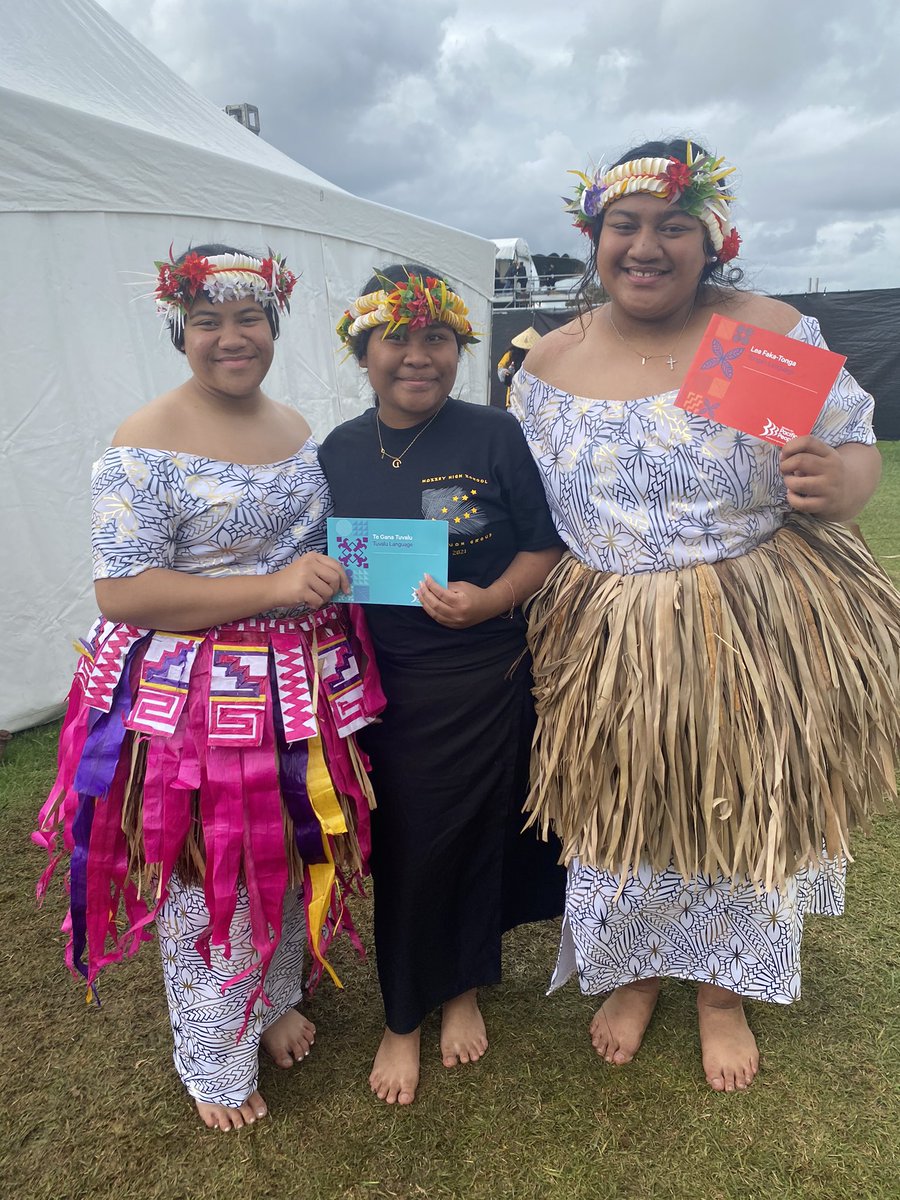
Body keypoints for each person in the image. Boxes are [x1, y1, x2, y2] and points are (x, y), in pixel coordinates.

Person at [510, 140, 900, 1093]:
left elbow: (855, 454)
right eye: (625, 226)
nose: (647, 247)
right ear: (594, 239)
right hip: (606, 634)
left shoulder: (756, 336)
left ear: (710, 238)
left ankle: (722, 993)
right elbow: (511, 502)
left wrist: (833, 481)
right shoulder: (547, 361)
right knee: (624, 811)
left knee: (740, 800)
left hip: (750, 617)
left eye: (672, 227)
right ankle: (636, 971)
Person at [34, 244, 384, 1130]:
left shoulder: (298, 428)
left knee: (293, 847)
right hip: (195, 701)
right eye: (209, 323)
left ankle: (267, 1006)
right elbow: (126, 592)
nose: (233, 339)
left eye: (250, 319)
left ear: (275, 325)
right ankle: (213, 1058)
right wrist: (271, 589)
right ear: (179, 332)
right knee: (211, 872)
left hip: (296, 690)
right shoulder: (141, 440)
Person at [319, 265, 565, 1105]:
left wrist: (491, 598)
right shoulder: (339, 451)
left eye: (437, 339)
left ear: (459, 347)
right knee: (402, 848)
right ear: (364, 348)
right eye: (398, 338)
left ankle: (451, 993)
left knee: (465, 832)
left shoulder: (495, 436)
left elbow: (542, 545)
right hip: (375, 688)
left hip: (479, 674)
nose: (417, 357)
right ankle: (410, 1006)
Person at [496, 326, 542, 407]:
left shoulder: (539, 355)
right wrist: (505, 372)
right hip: (514, 395)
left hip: (533, 394)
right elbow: (501, 366)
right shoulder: (512, 354)